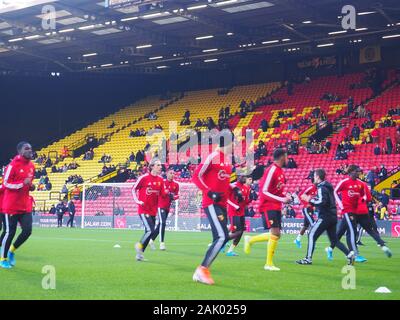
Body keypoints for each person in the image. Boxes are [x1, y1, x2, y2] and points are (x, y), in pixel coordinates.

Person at [191, 134, 233, 285]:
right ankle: (202, 269)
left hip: (222, 204)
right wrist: (208, 191)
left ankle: (201, 271)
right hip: (211, 203)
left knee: (223, 237)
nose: (235, 146)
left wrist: (232, 189)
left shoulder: (227, 160)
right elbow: (196, 176)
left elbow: (223, 183)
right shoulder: (213, 156)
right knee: (222, 237)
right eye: (233, 143)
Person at [243, 148, 292, 271]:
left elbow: (275, 191)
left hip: (276, 206)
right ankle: (268, 264)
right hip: (268, 205)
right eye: (286, 156)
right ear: (282, 157)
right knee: (275, 233)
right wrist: (282, 199)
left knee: (276, 234)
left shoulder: (281, 171)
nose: (287, 159)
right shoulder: (272, 170)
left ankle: (250, 239)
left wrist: (285, 197)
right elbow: (263, 192)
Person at [296, 169, 355, 265]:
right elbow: (325, 200)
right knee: (334, 240)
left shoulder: (321, 188)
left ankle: (308, 258)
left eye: (314, 176)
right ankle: (349, 254)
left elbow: (322, 202)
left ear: (318, 177)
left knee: (311, 234)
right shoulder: (328, 186)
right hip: (333, 216)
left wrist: (309, 199)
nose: (313, 178)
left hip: (325, 216)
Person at [0, 142, 36, 269]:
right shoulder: (12, 165)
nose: (30, 150)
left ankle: (11, 251)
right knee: (10, 232)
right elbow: (5, 184)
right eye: (27, 149)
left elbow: (29, 183)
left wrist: (31, 186)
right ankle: (3, 258)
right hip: (11, 205)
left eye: (31, 148)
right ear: (20, 152)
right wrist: (22, 183)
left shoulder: (32, 166)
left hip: (25, 205)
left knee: (27, 231)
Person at [329, 165, 366, 262]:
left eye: (359, 171)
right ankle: (355, 254)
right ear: (351, 172)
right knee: (353, 231)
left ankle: (330, 249)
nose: (359, 173)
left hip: (355, 211)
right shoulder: (344, 182)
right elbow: (335, 192)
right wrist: (341, 205)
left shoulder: (360, 184)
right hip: (347, 210)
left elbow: (362, 196)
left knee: (340, 232)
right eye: (357, 171)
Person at [132, 158, 166, 262]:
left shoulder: (160, 180)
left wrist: (171, 195)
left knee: (150, 232)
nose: (160, 167)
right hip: (143, 209)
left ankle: (139, 255)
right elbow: (133, 189)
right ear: (152, 166)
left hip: (153, 211)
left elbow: (162, 194)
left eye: (160, 165)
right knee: (150, 230)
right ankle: (139, 246)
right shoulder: (144, 178)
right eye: (158, 165)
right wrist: (138, 201)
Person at [354, 180, 392, 259]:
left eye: (370, 187)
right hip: (364, 213)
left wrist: (375, 203)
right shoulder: (363, 193)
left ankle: (379, 242)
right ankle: (358, 241)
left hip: (370, 214)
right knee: (362, 228)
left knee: (374, 227)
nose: (369, 188)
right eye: (368, 187)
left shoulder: (372, 193)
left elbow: (375, 199)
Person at [225, 169, 253, 257]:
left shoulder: (247, 188)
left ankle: (230, 250)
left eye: (244, 176)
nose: (244, 178)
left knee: (240, 232)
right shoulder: (233, 186)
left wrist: (250, 199)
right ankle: (221, 242)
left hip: (241, 213)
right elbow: (226, 199)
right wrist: (234, 206)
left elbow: (245, 202)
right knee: (235, 231)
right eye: (242, 176)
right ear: (238, 177)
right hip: (233, 212)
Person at [152, 168, 180, 251]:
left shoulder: (176, 185)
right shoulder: (162, 182)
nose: (172, 175)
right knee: (163, 223)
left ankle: (150, 240)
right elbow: (157, 192)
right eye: (171, 173)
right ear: (167, 174)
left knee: (160, 225)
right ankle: (162, 243)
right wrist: (166, 193)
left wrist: (173, 196)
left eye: (173, 173)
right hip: (160, 206)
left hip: (167, 207)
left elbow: (177, 195)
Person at [294, 181, 317, 249]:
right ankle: (312, 242)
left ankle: (297, 239)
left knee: (305, 226)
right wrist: (305, 204)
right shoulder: (311, 187)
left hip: (311, 209)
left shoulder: (318, 189)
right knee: (313, 225)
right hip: (307, 209)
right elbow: (300, 194)